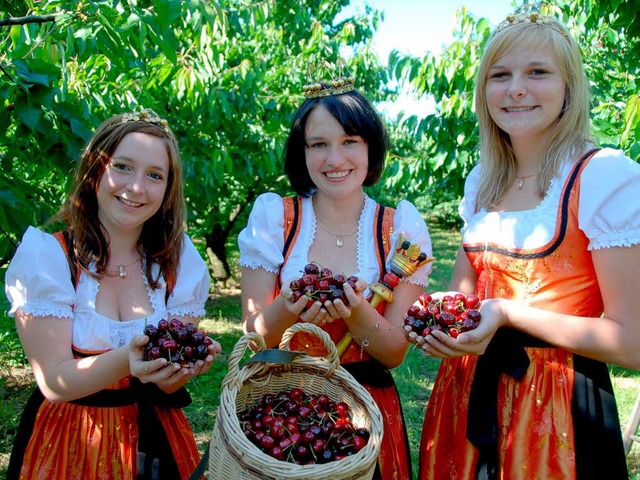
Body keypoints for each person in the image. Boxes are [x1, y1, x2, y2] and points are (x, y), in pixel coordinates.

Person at [410, 6, 640, 480]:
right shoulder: (483, 182)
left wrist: (509, 314)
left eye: (537, 72)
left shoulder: (602, 176)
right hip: (465, 396)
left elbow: (632, 341)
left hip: (558, 412)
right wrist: (439, 319)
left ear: (569, 87)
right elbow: (465, 297)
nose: (515, 89)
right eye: (500, 75)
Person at [4, 108, 222, 480]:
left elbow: (166, 381)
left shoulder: (178, 263)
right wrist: (130, 357)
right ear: (95, 170)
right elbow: (55, 381)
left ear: (168, 190)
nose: (137, 187)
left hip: (155, 441)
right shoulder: (48, 257)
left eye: (155, 175)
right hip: (71, 442)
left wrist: (181, 368)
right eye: (122, 166)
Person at [238, 69, 433, 479]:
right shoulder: (275, 220)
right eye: (318, 144)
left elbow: (395, 353)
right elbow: (254, 338)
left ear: (371, 147)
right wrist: (288, 308)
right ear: (302, 151)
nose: (334, 159)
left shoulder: (402, 231)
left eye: (350, 142)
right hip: (286, 410)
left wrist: (356, 311)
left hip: (365, 415)